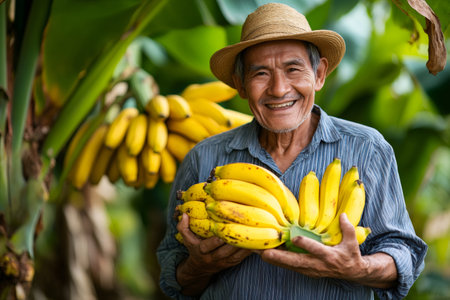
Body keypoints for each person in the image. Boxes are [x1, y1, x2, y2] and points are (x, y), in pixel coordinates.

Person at [156, 3, 427, 299]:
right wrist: (198, 266)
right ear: (241, 85)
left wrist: (357, 268)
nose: (279, 89)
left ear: (319, 74)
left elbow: (405, 255)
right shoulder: (204, 158)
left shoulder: (367, 149)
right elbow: (174, 279)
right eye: (261, 73)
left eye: (293, 69)